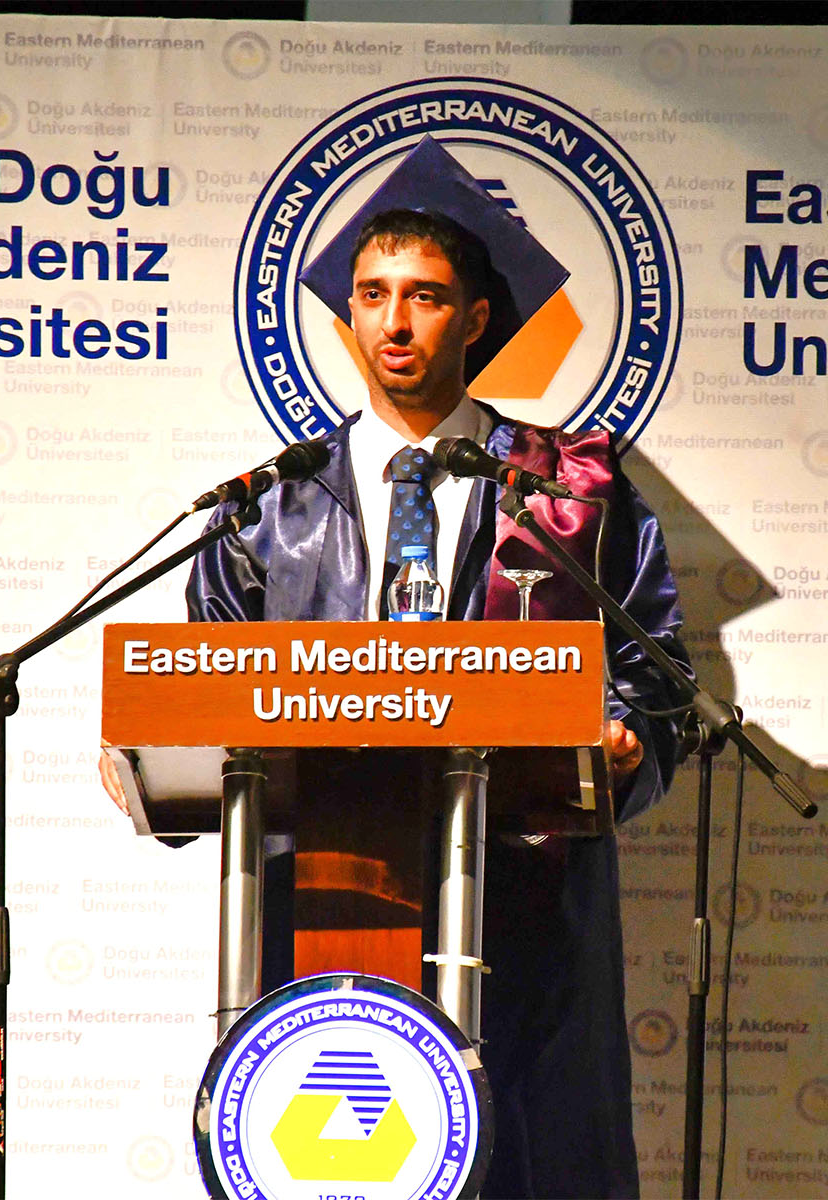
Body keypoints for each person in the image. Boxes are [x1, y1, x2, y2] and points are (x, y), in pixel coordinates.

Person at [186, 208, 692, 1199]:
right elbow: (209, 691)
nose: (394, 322)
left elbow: (655, 680)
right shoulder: (270, 505)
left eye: (424, 296)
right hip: (325, 907)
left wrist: (627, 742)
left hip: (527, 915)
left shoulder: (573, 490)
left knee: (532, 1166)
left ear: (475, 318)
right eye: (372, 297)